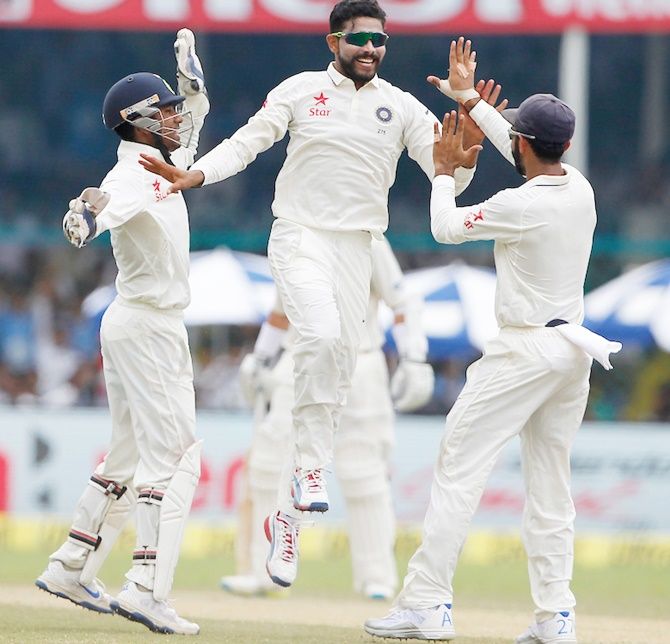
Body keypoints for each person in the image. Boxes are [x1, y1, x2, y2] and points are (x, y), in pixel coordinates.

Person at [138, 0, 479, 587]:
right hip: (298, 234)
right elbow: (248, 143)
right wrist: (196, 176)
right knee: (317, 336)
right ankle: (306, 476)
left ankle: (291, 514)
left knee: (336, 369)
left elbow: (446, 170)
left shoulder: (399, 106)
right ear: (333, 43)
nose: (370, 49)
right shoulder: (299, 91)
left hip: (359, 247)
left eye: (379, 40)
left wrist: (465, 163)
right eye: (359, 39)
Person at [365, 37, 621, 642]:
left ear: (525, 144)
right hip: (570, 351)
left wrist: (446, 174)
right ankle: (556, 616)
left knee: (459, 464)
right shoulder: (578, 187)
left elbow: (445, 228)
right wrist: (468, 100)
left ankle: (428, 603)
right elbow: (519, 146)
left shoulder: (521, 202)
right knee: (550, 483)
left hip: (525, 349)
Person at [35, 29, 210, 636]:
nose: (175, 121)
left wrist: (189, 81)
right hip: (147, 326)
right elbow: (100, 207)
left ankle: (71, 564)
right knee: (178, 458)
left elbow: (195, 116)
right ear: (137, 122)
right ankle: (145, 587)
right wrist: (83, 213)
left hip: (141, 323)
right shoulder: (132, 175)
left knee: (131, 455)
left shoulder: (167, 162)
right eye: (163, 113)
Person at [221, 236, 434, 598]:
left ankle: (376, 577)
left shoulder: (368, 238)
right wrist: (260, 357)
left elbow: (402, 302)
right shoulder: (293, 236)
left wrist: (414, 356)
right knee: (269, 463)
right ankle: (262, 571)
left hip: (361, 360)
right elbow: (280, 312)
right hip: (298, 362)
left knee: (364, 471)